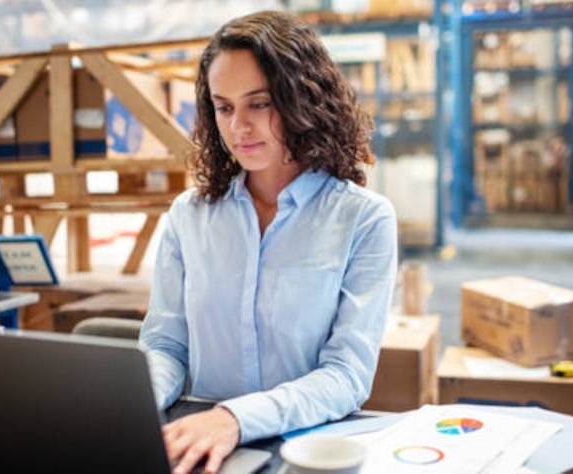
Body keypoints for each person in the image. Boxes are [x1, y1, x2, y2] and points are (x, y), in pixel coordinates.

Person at [138, 10, 398, 474]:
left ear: (304, 100)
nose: (239, 126)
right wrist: (136, 405)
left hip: (307, 453)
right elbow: (166, 345)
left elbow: (347, 376)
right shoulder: (188, 216)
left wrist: (235, 418)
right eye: (224, 107)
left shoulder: (364, 219)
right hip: (199, 446)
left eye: (259, 103)